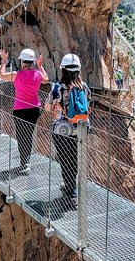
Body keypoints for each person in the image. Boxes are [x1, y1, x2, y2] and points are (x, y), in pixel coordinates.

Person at [47, 53, 91, 201]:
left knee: (65, 159)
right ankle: (71, 186)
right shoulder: (84, 87)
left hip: (61, 130)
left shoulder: (57, 88)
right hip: (80, 129)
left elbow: (48, 107)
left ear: (63, 70)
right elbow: (87, 104)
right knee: (74, 159)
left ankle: (71, 191)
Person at [0, 48, 49, 175]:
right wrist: (40, 66)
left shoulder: (17, 75)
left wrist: (4, 60)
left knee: (21, 135)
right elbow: (46, 79)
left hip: (20, 109)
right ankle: (26, 160)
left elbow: (1, 75)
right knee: (29, 133)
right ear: (32, 62)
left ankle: (24, 162)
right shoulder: (38, 74)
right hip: (35, 108)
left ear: (22, 63)